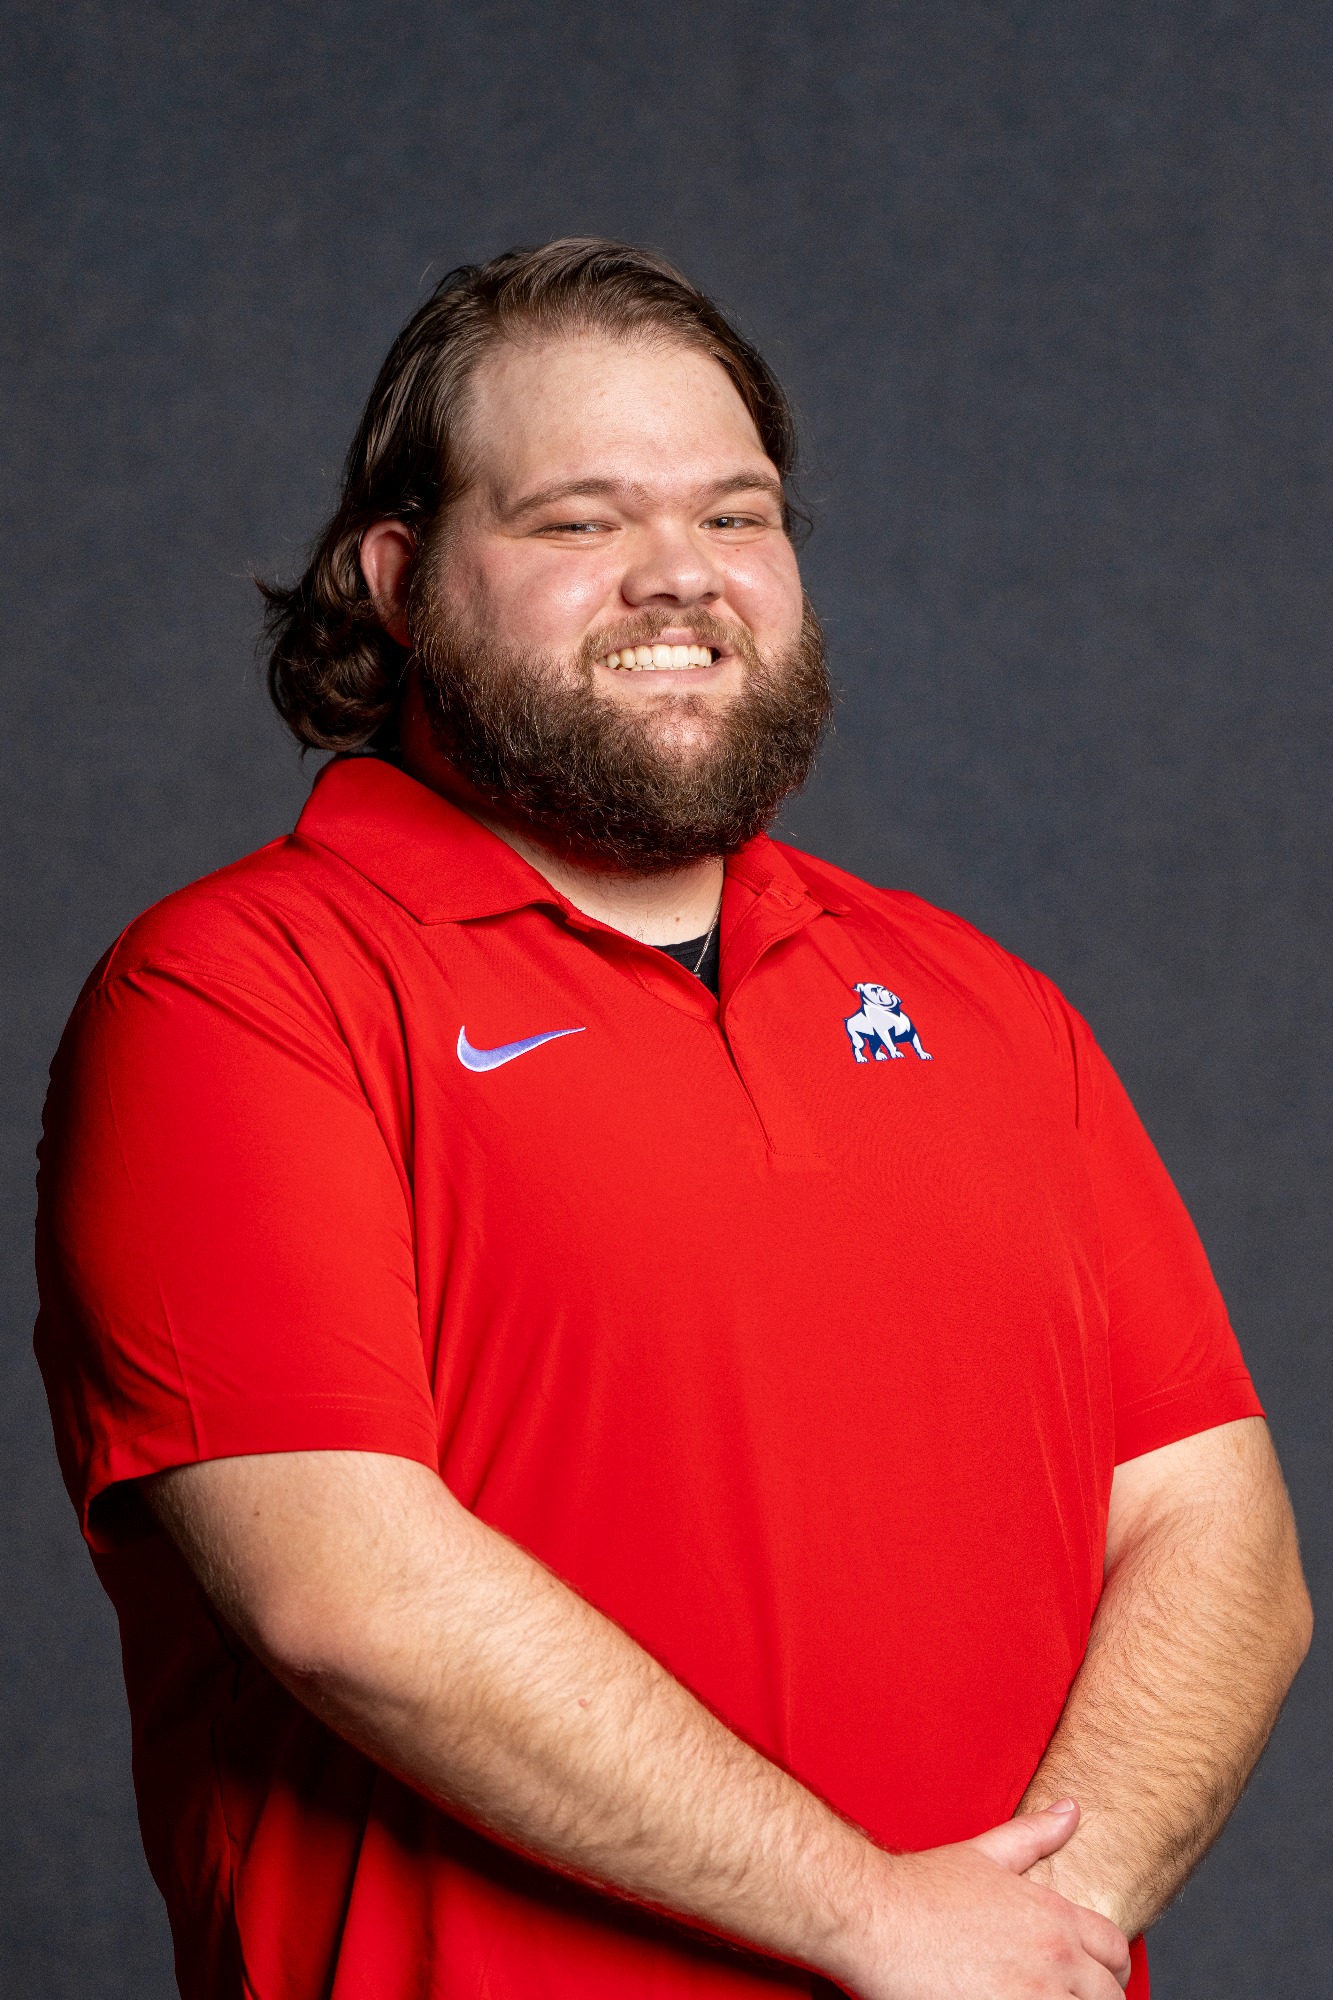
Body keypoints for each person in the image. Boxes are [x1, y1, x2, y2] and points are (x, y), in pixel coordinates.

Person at [35, 239, 1311, 2000]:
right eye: (577, 522)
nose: (678, 579)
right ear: (398, 579)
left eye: (735, 515)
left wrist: (1034, 1943)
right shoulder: (235, 996)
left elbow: (1219, 1541)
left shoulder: (987, 1007)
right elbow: (346, 1593)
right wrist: (879, 1922)